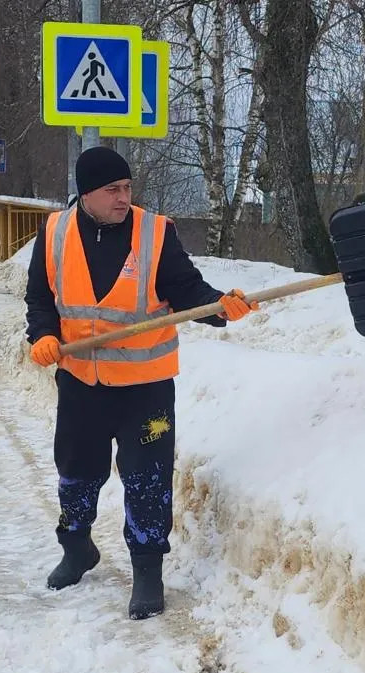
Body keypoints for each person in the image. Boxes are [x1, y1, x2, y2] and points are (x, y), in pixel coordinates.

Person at [24, 146, 258, 620]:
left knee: (147, 479)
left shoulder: (155, 232)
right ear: (86, 192)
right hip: (80, 383)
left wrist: (220, 306)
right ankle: (77, 548)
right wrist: (44, 335)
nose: (123, 197)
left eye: (128, 188)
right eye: (113, 189)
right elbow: (39, 298)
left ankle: (148, 570)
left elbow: (186, 291)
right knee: (76, 473)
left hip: (144, 388)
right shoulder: (53, 233)